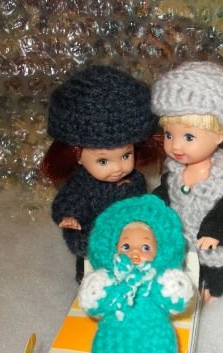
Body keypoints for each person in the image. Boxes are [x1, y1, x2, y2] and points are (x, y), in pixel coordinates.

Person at [43, 65, 159, 283]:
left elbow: (139, 202)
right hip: (92, 231)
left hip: (125, 235)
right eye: (103, 161)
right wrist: (69, 217)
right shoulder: (81, 185)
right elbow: (67, 201)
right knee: (89, 257)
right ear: (77, 155)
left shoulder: (134, 179)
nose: (118, 168)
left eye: (126, 155)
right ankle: (84, 274)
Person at [78, 194, 194, 353]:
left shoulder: (157, 278)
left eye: (146, 247)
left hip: (154, 328)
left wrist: (173, 284)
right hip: (115, 327)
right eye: (126, 246)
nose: (135, 253)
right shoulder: (111, 279)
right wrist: (97, 288)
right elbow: (93, 305)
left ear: (159, 250)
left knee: (157, 352)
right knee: (111, 351)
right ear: (113, 247)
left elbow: (176, 301)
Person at [151, 61, 223, 302]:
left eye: (189, 137)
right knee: (183, 273)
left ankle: (218, 291)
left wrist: (214, 232)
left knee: (218, 278)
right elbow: (165, 194)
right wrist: (150, 207)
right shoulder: (174, 172)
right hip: (181, 243)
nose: (175, 145)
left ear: (220, 134)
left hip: (212, 247)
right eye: (169, 134)